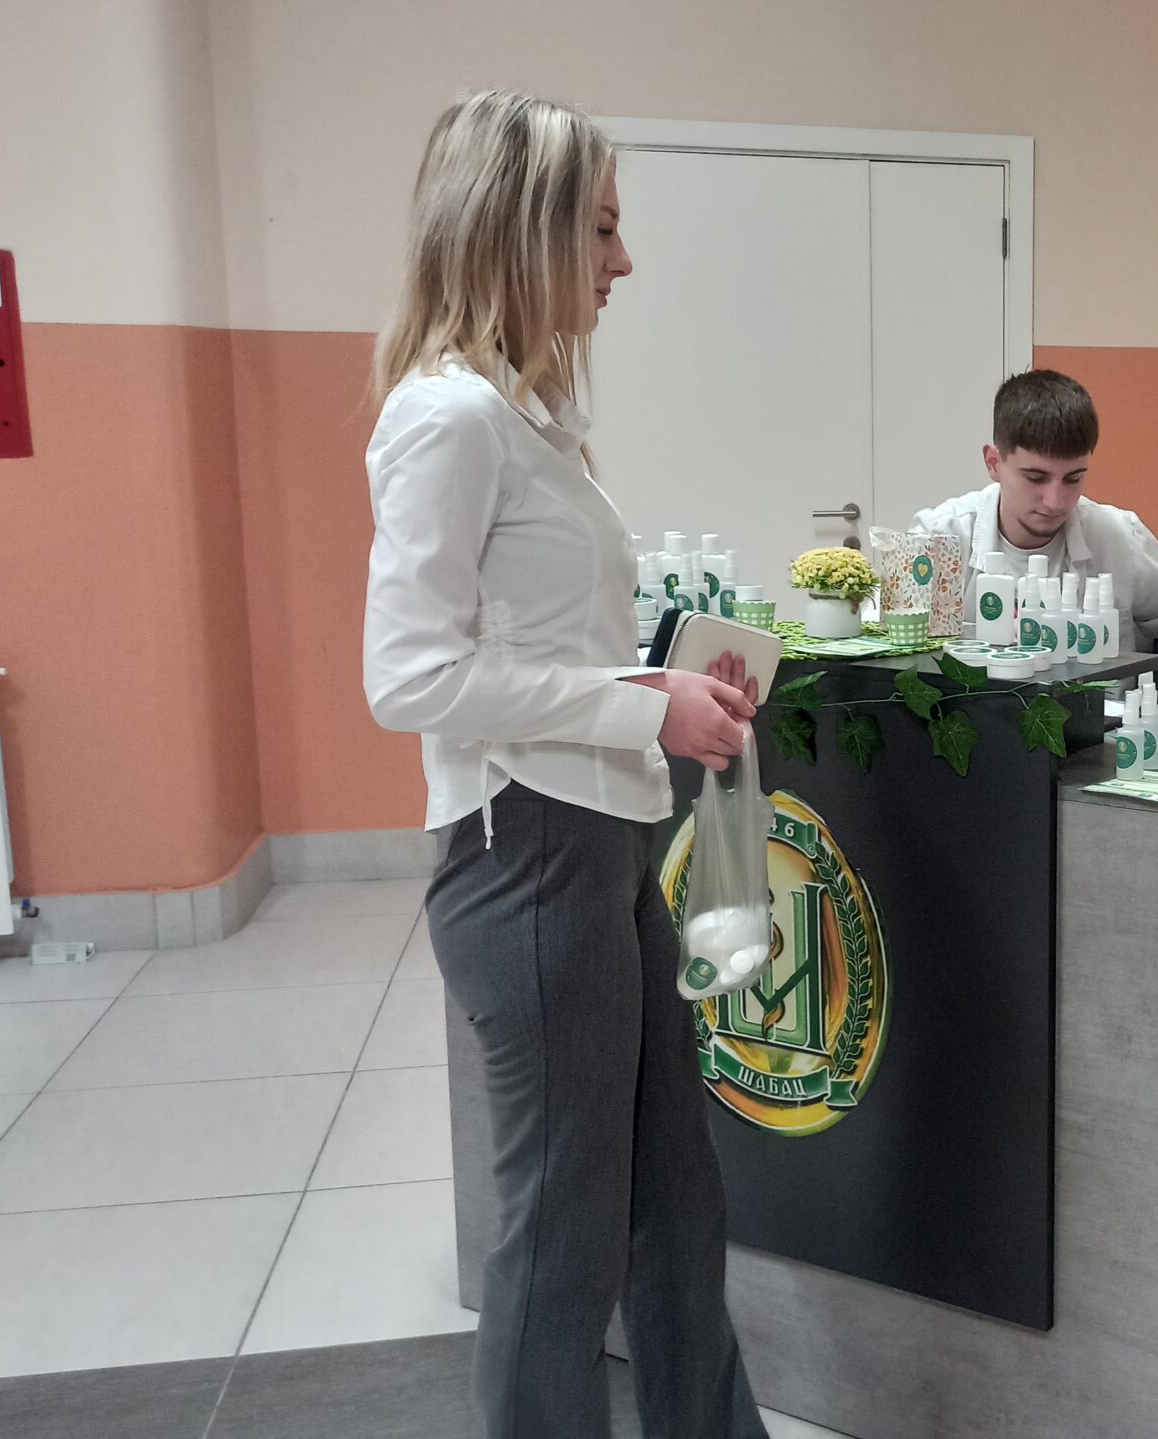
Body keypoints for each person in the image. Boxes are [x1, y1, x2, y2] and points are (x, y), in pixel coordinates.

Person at [361, 90, 771, 1439]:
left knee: (675, 1200)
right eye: (598, 228)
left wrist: (658, 683)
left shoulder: (525, 414)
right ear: (517, 231)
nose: (622, 260)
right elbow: (407, 677)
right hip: (525, 855)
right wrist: (640, 710)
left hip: (598, 843)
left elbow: (531, 644)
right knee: (562, 1239)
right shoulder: (448, 418)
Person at [911, 369, 1158, 652]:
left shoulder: (1118, 539)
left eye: (1073, 479)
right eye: (1036, 477)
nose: (1055, 502)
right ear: (994, 463)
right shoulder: (939, 539)